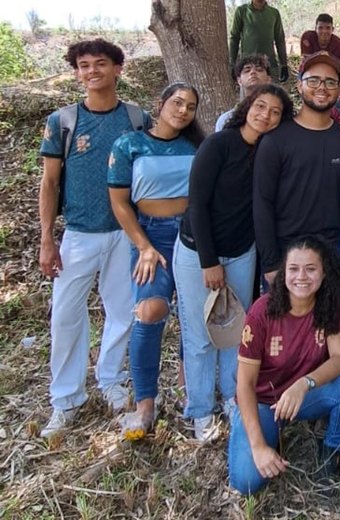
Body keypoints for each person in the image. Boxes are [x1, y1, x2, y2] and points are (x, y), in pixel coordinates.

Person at [38, 39, 152, 438]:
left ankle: (112, 381)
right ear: (76, 72)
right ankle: (66, 398)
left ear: (118, 69)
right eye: (83, 65)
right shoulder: (63, 122)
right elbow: (50, 183)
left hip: (125, 234)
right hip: (79, 235)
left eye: (100, 64)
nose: (91, 72)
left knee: (122, 311)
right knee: (67, 316)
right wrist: (47, 239)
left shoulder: (138, 119)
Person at [174, 84, 293, 441]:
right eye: (260, 106)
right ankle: (199, 410)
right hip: (199, 252)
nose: (266, 115)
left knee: (235, 331)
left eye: (275, 111)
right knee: (199, 335)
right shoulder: (218, 144)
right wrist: (210, 261)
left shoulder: (271, 152)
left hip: (242, 251)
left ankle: (231, 397)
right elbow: (196, 204)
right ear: (247, 106)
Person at [228, 237, 340, 495]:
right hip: (265, 403)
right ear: (283, 272)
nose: (301, 276)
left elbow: (339, 359)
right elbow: (244, 384)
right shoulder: (261, 311)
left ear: (324, 273)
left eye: (311, 268)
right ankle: (267, 436)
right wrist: (258, 446)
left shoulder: (328, 305)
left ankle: (330, 449)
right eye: (293, 268)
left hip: (304, 396)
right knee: (246, 481)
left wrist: (304, 384)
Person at [107, 83, 203, 440]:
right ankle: (145, 400)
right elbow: (119, 202)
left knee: (193, 312)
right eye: (177, 103)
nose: (182, 111)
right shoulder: (129, 144)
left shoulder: (196, 145)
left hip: (191, 232)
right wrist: (143, 246)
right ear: (160, 104)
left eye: (190, 106)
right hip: (151, 235)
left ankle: (192, 389)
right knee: (150, 309)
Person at [253, 51, 340, 281]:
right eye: (313, 80)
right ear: (300, 86)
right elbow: (262, 202)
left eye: (330, 81)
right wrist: (270, 262)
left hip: (333, 253)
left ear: (339, 90)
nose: (322, 87)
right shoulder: (276, 139)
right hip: (286, 253)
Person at [229, 0, 288, 83]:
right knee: (250, 94)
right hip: (248, 67)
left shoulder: (274, 13)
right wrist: (232, 64)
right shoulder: (242, 11)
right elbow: (234, 38)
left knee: (271, 94)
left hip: (270, 66)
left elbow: (280, 39)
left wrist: (284, 65)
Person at [215, 54, 273, 131]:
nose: (253, 72)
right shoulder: (226, 119)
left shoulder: (277, 116)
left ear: (268, 79)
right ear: (239, 80)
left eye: (259, 69)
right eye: (247, 70)